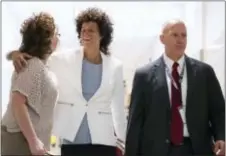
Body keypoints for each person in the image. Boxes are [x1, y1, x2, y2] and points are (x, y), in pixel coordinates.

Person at [7, 7, 126, 156]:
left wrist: (122, 141)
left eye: (91, 30)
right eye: (83, 30)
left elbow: (118, 108)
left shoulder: (115, 66)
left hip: (103, 140)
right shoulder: (62, 60)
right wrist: (14, 54)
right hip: (72, 140)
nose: (86, 34)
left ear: (102, 35)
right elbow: (36, 58)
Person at [125, 19, 225, 156]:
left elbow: (218, 110)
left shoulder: (204, 72)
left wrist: (221, 136)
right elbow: (135, 121)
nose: (180, 40)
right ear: (162, 39)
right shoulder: (144, 75)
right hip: (157, 150)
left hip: (196, 149)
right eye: (175, 35)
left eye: (184, 35)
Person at [1, 12, 59, 155]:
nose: (58, 38)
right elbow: (17, 102)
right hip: (20, 140)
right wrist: (33, 141)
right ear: (47, 40)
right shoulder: (33, 66)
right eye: (57, 34)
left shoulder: (42, 65)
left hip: (28, 141)